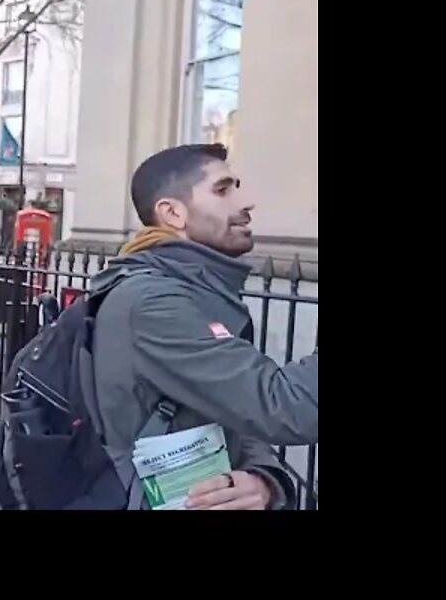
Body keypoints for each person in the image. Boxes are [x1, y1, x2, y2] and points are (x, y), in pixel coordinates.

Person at [89, 143, 318, 510]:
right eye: (223, 190)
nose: (246, 203)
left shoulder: (192, 289)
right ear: (173, 213)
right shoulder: (156, 304)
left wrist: (263, 480)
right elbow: (289, 407)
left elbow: (227, 414)